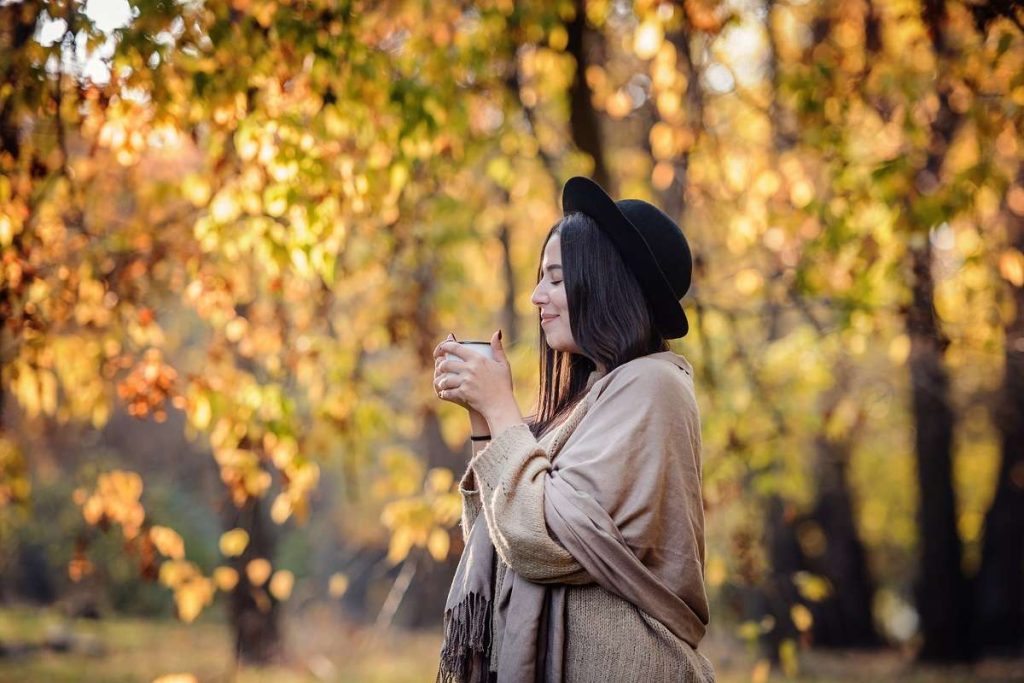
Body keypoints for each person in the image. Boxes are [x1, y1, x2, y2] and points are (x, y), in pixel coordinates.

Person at [431, 176, 714, 683]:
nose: (537, 296)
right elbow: (500, 540)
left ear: (606, 283)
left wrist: (502, 409)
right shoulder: (590, 399)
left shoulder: (653, 385)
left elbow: (542, 546)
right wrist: (483, 420)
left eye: (556, 279)